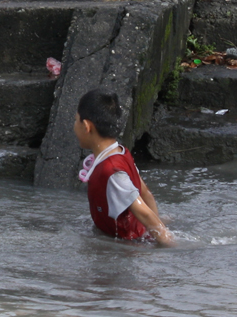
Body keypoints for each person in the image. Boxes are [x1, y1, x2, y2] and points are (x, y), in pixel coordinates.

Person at [73, 88, 174, 245]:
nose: (74, 126)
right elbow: (145, 192)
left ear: (86, 126)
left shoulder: (111, 171)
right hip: (131, 234)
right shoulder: (119, 152)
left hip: (128, 244)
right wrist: (156, 221)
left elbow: (144, 213)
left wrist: (167, 243)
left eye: (75, 120)